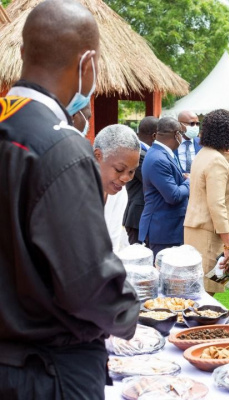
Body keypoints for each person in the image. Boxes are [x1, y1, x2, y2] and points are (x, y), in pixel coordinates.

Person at [0, 1, 139, 398]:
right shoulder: (61, 147)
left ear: (23, 53)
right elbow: (87, 281)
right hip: (48, 371)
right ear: (88, 64)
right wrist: (129, 312)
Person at [184, 109, 229, 296]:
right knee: (206, 293)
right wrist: (228, 247)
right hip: (210, 235)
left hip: (197, 231)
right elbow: (217, 206)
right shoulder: (216, 160)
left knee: (199, 290)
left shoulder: (203, 154)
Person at [139, 117, 190, 257]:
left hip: (169, 228)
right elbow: (173, 196)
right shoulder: (158, 159)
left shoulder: (164, 154)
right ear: (176, 134)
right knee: (163, 276)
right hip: (162, 230)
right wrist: (189, 181)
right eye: (181, 134)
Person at [93, 124, 141, 251]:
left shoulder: (119, 193)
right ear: (98, 156)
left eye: (132, 172)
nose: (126, 178)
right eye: (119, 169)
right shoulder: (72, 192)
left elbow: (112, 245)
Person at [123, 116, 158, 244]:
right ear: (155, 135)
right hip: (137, 215)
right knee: (137, 258)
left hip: (141, 215)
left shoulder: (143, 152)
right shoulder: (139, 154)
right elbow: (153, 182)